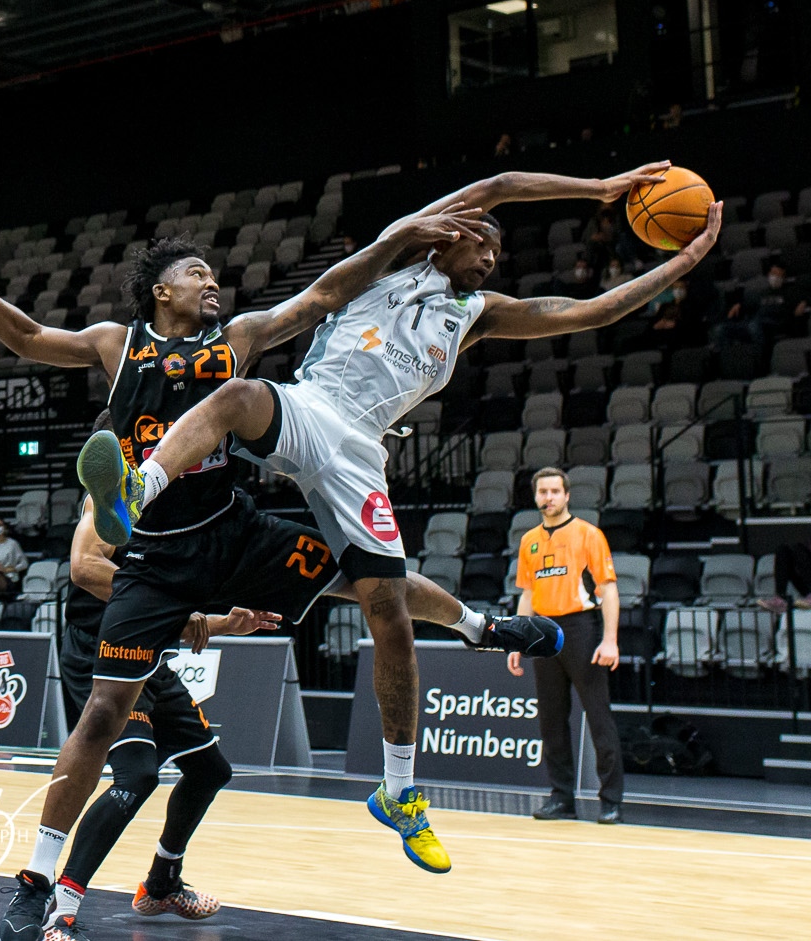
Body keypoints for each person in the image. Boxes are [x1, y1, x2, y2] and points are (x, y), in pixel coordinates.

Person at [0, 212, 555, 940]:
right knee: (101, 714)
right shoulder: (116, 344)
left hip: (231, 531)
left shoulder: (238, 338)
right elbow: (29, 337)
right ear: (161, 290)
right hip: (155, 558)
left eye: (214, 273)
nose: (211, 280)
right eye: (196, 273)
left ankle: (480, 625)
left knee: (373, 580)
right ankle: (36, 882)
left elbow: (322, 295)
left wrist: (396, 242)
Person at [89, 161, 718, 872]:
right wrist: (600, 189)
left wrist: (684, 260)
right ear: (448, 235)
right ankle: (138, 491)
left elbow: (592, 310)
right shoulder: (395, 258)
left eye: (498, 251)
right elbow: (499, 184)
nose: (491, 256)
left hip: (363, 453)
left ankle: (399, 790)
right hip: (311, 407)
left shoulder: (478, 315)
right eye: (482, 243)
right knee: (237, 394)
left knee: (386, 609)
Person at [37, 499, 271, 939]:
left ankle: (161, 884)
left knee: (210, 770)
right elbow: (87, 570)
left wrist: (226, 623)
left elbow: (168, 612)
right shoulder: (116, 495)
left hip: (150, 654)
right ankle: (60, 910)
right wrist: (178, 613)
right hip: (102, 654)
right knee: (137, 776)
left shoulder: (189, 512)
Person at [507, 467, 624, 824]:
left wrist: (609, 639)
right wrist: (517, 639)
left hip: (580, 628)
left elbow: (609, 589)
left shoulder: (588, 534)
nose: (549, 498)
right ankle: (561, 798)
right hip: (543, 630)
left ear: (567, 495)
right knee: (551, 721)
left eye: (555, 491)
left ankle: (610, 801)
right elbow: (527, 593)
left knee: (598, 715)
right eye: (543, 492)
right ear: (535, 496)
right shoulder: (529, 540)